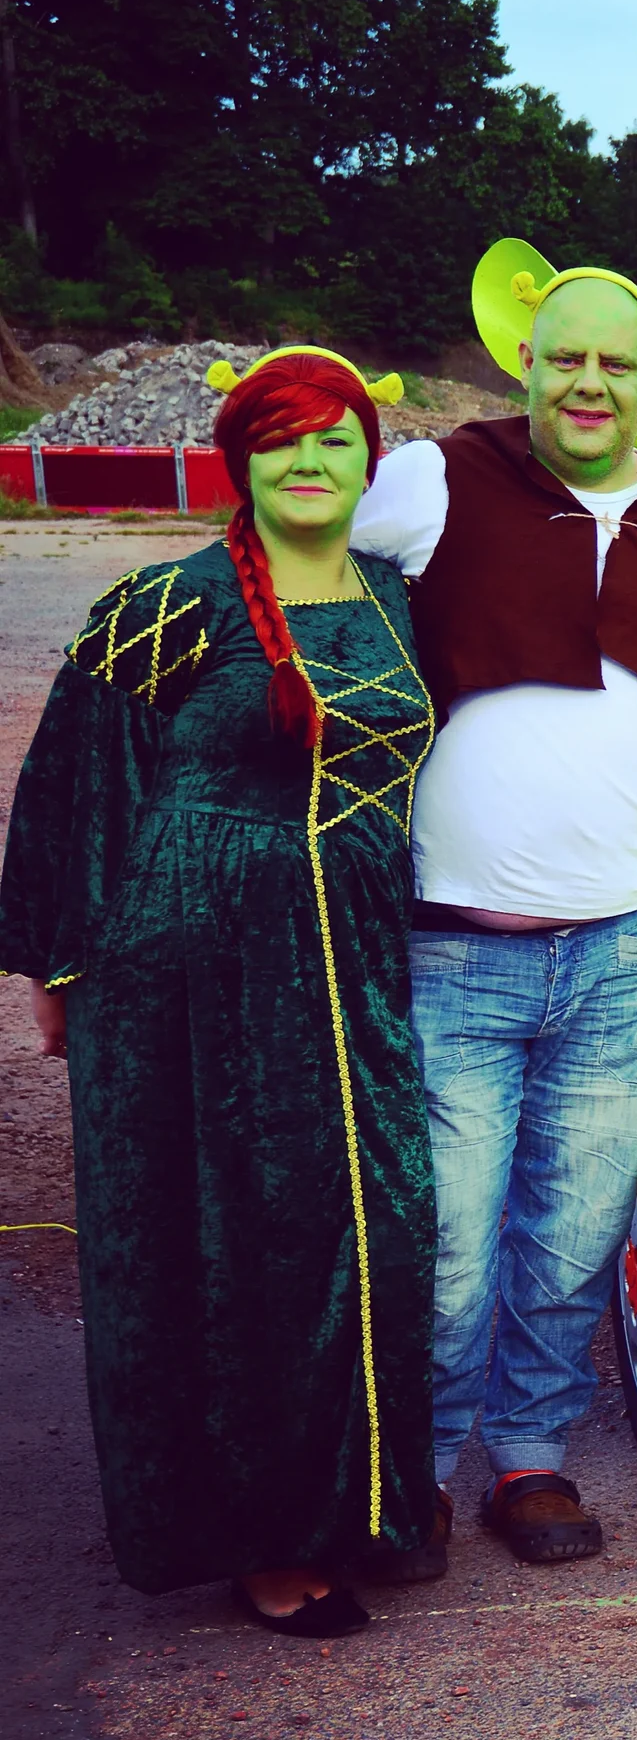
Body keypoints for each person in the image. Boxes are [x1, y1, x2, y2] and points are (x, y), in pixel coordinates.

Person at [352, 262, 637, 1565]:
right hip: (452, 948)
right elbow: (311, 588)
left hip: (627, 949)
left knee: (572, 1229)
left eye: (616, 362)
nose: (590, 383)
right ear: (525, 366)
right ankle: (419, 1465)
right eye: (566, 360)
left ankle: (533, 1456)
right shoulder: (438, 483)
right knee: (444, 1235)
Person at [0, 348, 438, 1637]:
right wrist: (62, 967)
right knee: (241, 1245)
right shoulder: (168, 601)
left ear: (371, 461)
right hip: (192, 975)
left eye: (336, 441)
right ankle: (262, 1538)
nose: (310, 463)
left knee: (374, 1233)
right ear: (240, 462)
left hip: (353, 962)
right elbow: (74, 782)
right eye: (280, 441)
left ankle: (367, 1505)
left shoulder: (402, 598)